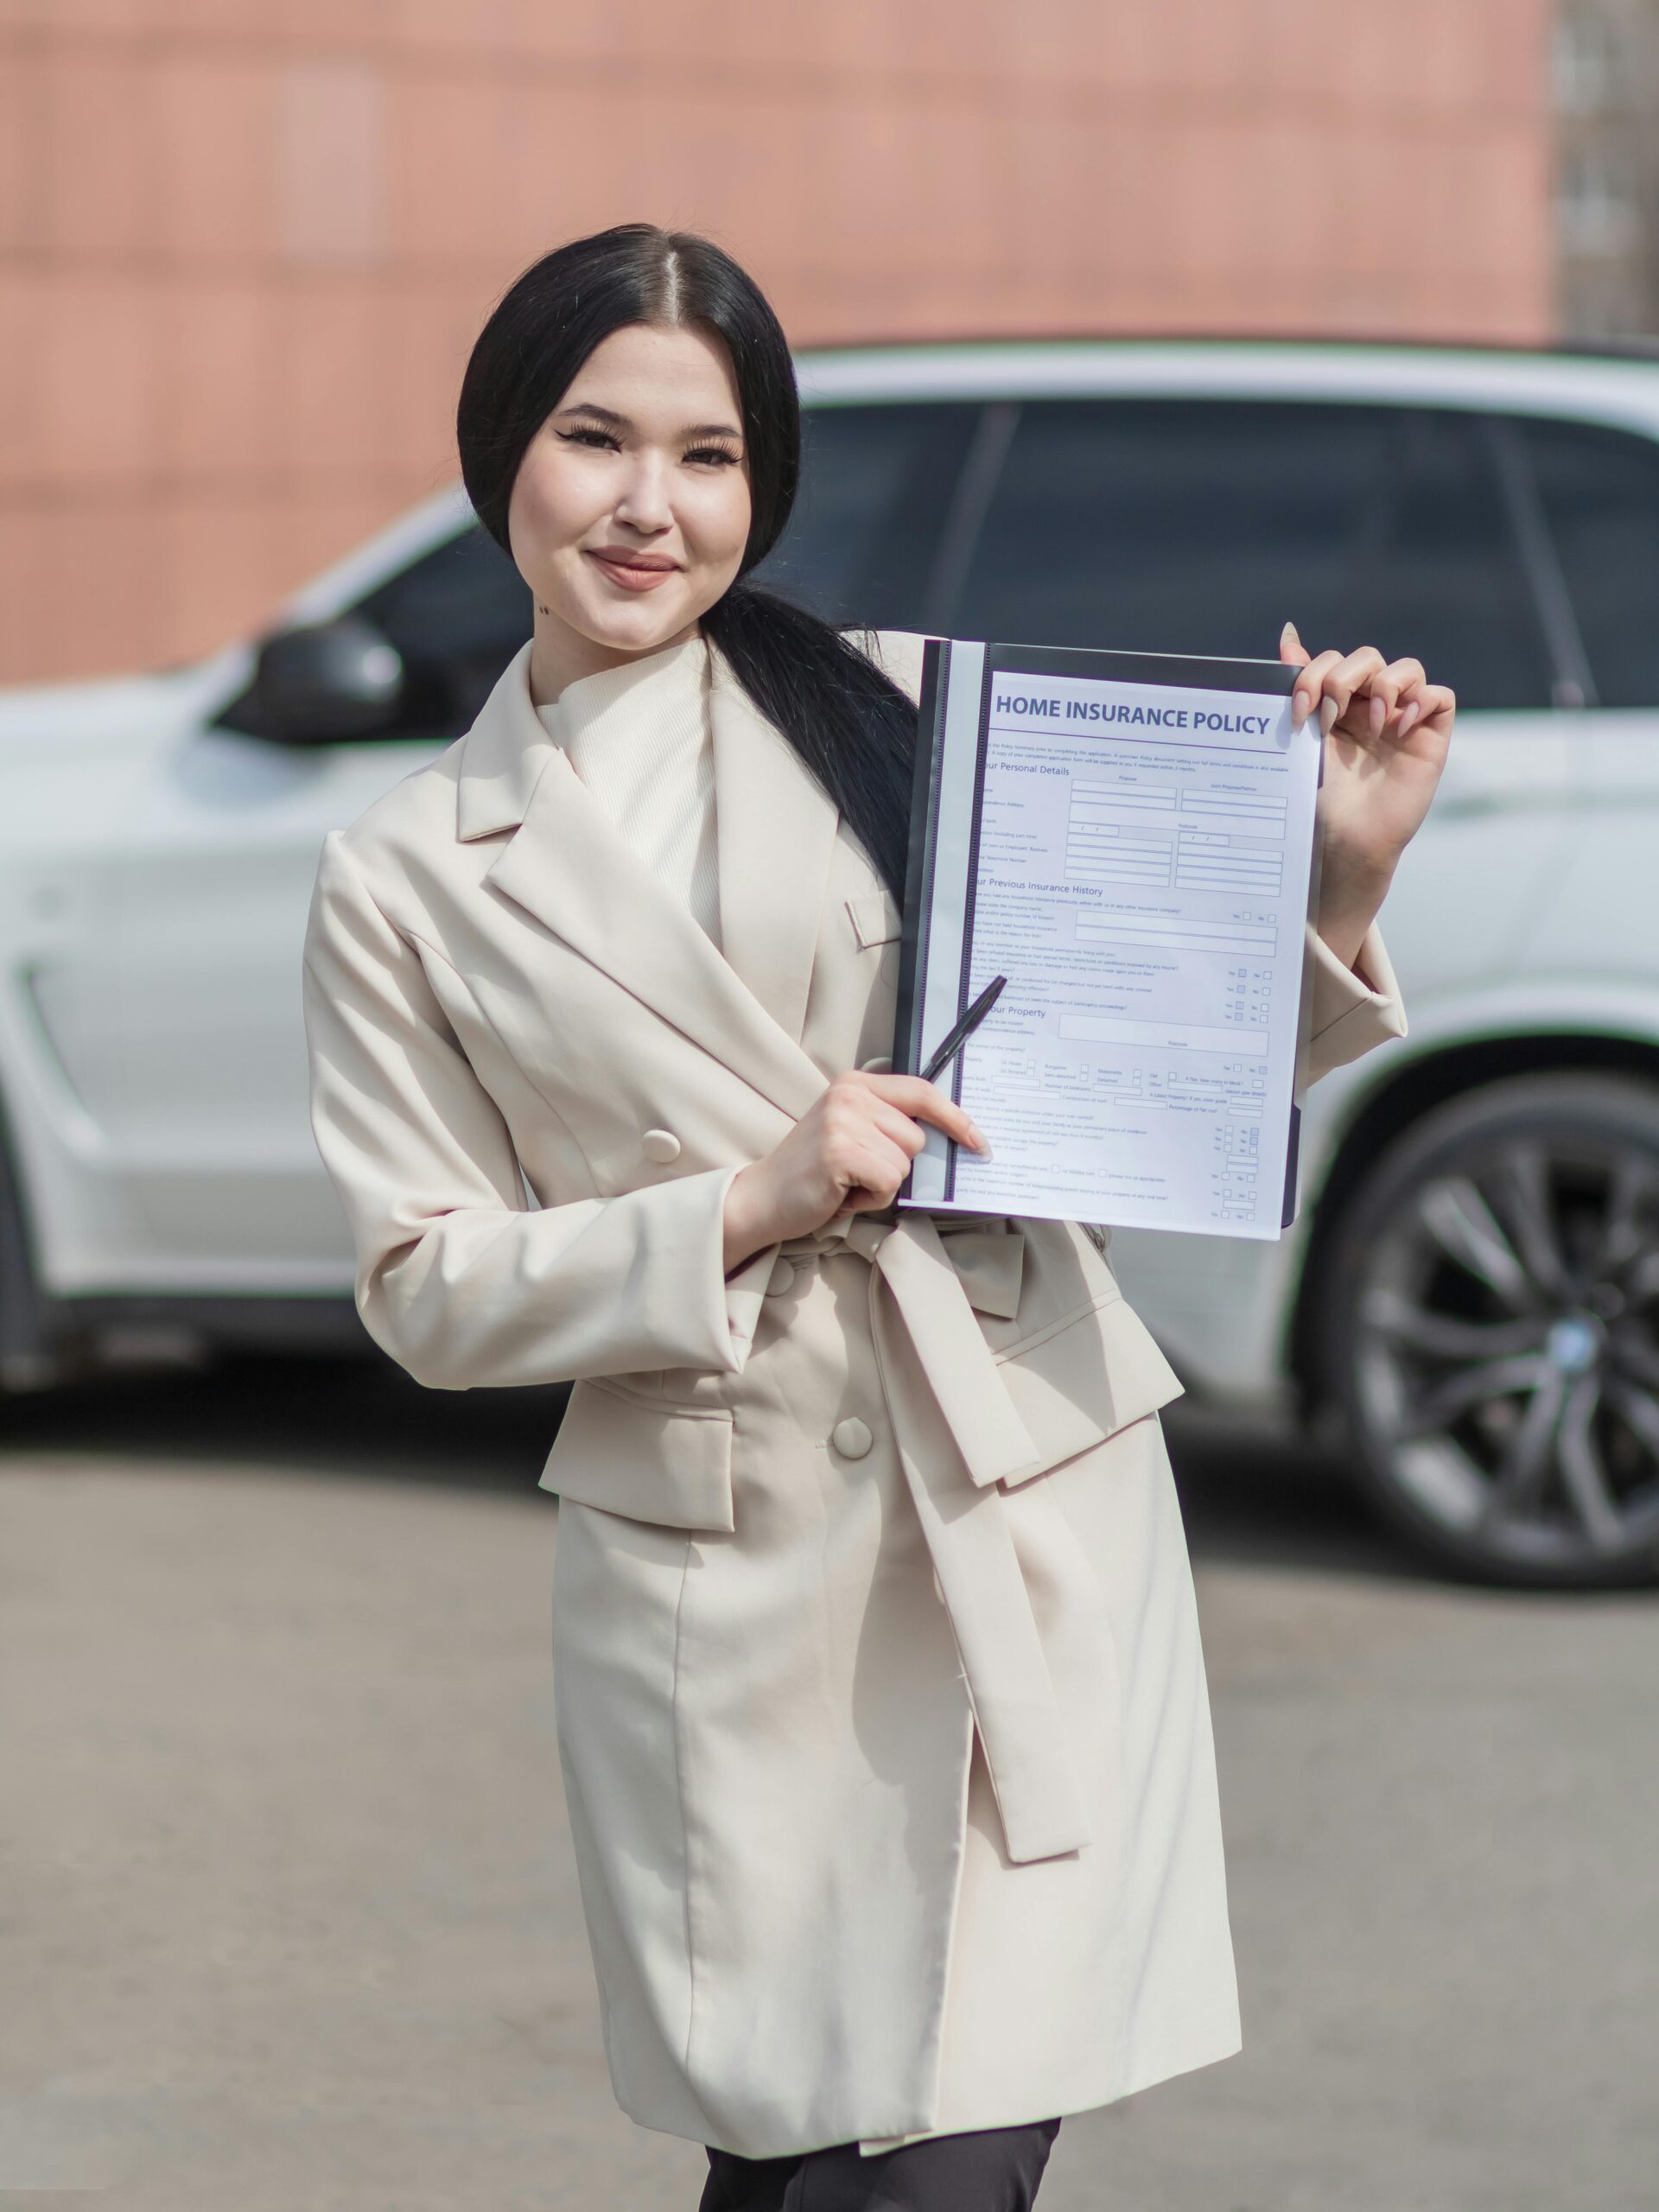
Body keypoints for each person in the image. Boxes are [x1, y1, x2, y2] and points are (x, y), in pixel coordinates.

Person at [301, 224, 1452, 2212]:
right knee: (800, 2162)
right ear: (506, 452)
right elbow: (423, 1284)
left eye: (712, 455)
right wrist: (742, 1199)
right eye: (596, 438)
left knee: (933, 2176)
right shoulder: (409, 865)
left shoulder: (919, 708)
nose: (651, 505)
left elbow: (1130, 1089)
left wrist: (1331, 881)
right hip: (730, 1603)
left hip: (1019, 1514)